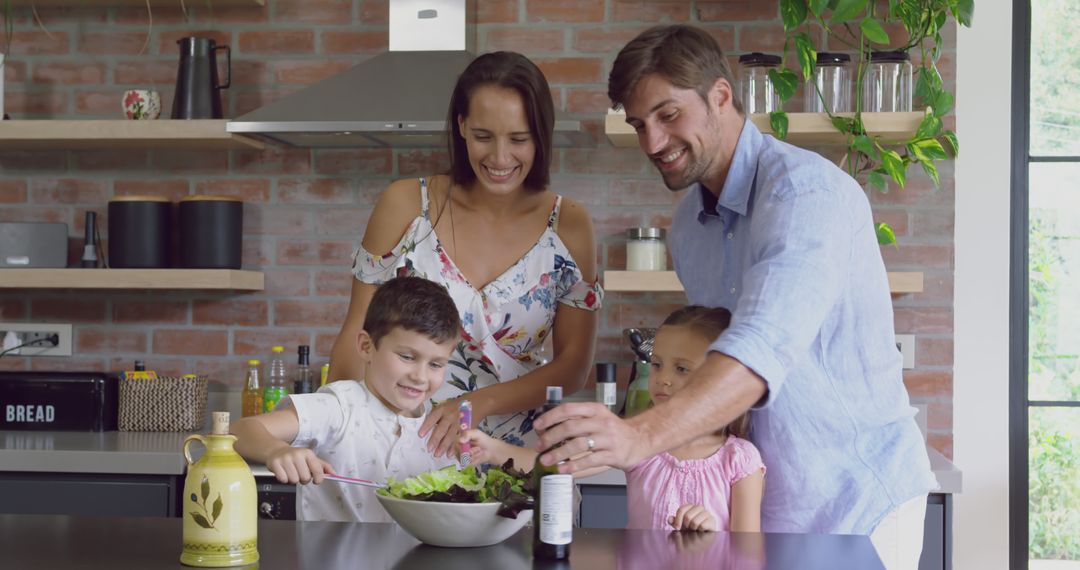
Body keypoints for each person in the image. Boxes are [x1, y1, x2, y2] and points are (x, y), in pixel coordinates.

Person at [532, 25, 936, 570]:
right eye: (638, 124)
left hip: (853, 502)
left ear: (720, 96)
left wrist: (640, 435)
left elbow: (759, 350)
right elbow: (711, 369)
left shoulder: (805, 195)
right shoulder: (688, 227)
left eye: (668, 115)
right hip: (765, 509)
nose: (651, 142)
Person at [328, 51, 602, 456]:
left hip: (516, 460)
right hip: (401, 449)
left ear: (541, 135)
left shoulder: (569, 225)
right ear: (461, 127)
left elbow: (574, 365)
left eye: (519, 139)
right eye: (483, 136)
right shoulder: (405, 207)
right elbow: (356, 339)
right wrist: (342, 436)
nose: (500, 158)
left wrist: (476, 404)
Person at [463, 306, 765, 533]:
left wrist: (711, 535)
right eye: (657, 365)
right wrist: (495, 450)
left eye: (682, 369)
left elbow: (748, 554)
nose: (663, 380)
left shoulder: (739, 459)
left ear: (719, 381)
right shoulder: (636, 444)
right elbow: (556, 463)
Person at [231, 276, 461, 522]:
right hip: (332, 560)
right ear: (366, 346)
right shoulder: (338, 406)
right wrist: (276, 450)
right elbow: (238, 431)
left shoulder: (442, 429)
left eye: (436, 364)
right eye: (406, 357)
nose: (420, 376)